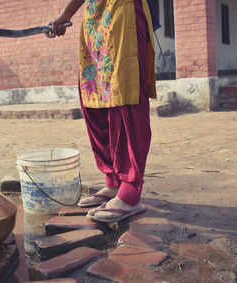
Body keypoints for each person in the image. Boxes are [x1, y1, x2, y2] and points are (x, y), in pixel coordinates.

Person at [48, 0, 157, 223]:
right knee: (94, 100)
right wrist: (65, 14)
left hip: (123, 11)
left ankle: (130, 192)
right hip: (94, 17)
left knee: (124, 98)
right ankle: (114, 180)